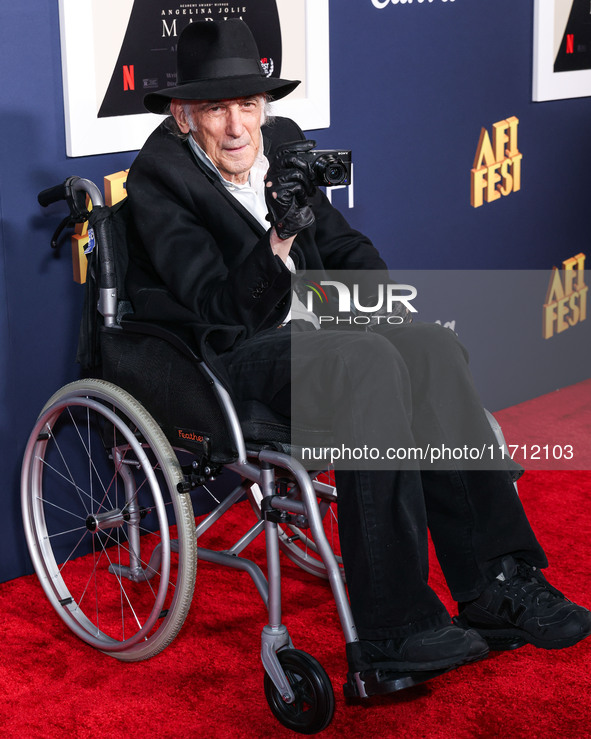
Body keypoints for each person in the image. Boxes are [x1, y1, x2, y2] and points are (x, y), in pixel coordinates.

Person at [125, 19, 591, 692]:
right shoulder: (157, 180)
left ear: (264, 106)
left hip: (319, 334)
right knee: (363, 363)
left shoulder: (282, 148)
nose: (235, 126)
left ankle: (495, 582)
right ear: (182, 115)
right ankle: (391, 630)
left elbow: (346, 249)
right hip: (231, 355)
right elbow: (213, 306)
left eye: (247, 105)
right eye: (215, 108)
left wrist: (381, 309)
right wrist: (279, 239)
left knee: (425, 345)